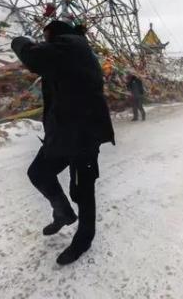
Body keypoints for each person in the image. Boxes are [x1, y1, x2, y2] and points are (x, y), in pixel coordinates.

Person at [11, 20, 115, 266]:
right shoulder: (68, 51)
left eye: (46, 35)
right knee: (38, 172)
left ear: (56, 33)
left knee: (82, 190)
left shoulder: (72, 45)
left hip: (84, 134)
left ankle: (84, 239)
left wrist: (19, 41)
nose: (45, 40)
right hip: (63, 133)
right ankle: (63, 213)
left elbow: (32, 57)